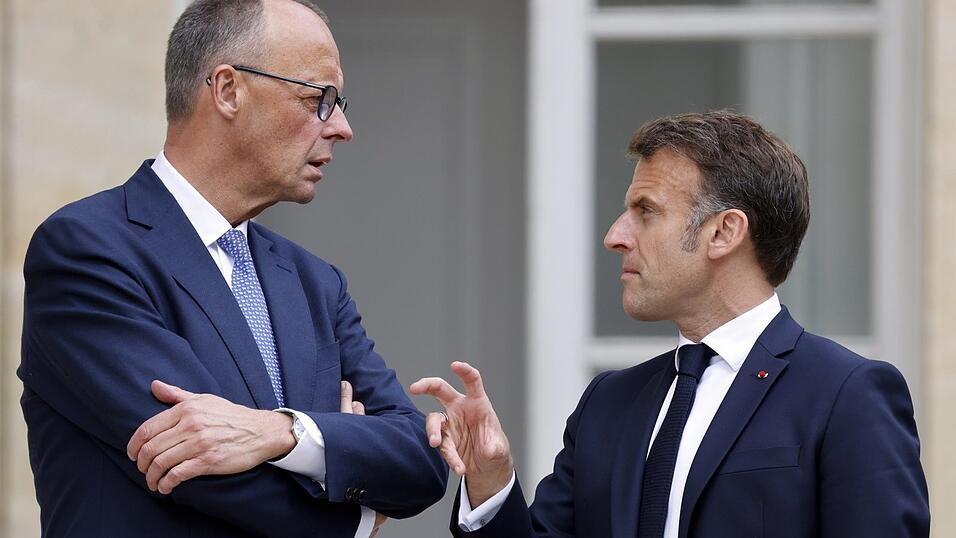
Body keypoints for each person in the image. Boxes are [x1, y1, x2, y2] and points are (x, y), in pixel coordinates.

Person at [19, 1, 447, 536]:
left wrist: (283, 433)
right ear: (228, 91)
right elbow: (197, 472)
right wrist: (353, 502)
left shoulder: (316, 283)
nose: (342, 127)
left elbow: (422, 458)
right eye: (320, 99)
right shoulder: (88, 251)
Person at [411, 110, 930, 537]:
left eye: (646, 211)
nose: (616, 235)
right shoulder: (608, 404)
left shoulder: (848, 394)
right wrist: (492, 482)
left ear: (724, 232)